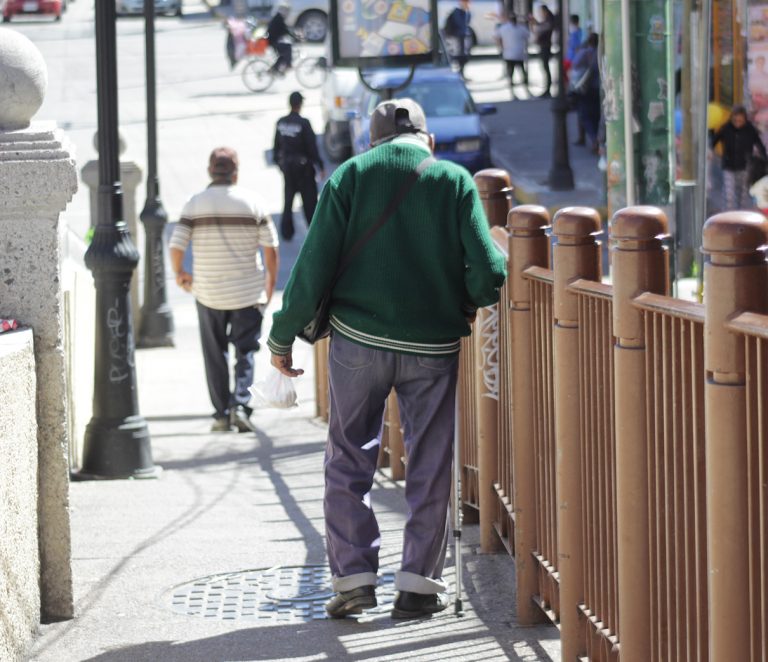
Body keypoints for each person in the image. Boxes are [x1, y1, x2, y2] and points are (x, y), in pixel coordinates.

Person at [267, 99, 507, 619]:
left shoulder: (349, 176)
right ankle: (420, 583)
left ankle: (353, 577)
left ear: (372, 143)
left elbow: (311, 269)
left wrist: (282, 338)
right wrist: (461, 297)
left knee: (349, 457)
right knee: (430, 459)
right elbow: (489, 274)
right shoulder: (453, 180)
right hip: (432, 349)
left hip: (357, 342)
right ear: (427, 140)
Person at [169, 147, 279, 433]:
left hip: (209, 293)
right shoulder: (253, 202)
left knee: (214, 353)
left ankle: (220, 414)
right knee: (247, 351)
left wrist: (180, 274)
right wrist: (269, 287)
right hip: (247, 293)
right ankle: (241, 406)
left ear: (210, 171)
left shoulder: (195, 203)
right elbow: (271, 250)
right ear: (236, 172)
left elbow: (176, 245)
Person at [273, 91, 325, 241]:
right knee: (309, 202)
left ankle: (286, 232)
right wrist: (319, 165)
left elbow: (276, 148)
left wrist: (281, 165)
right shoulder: (304, 123)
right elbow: (312, 147)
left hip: (288, 168)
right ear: (300, 104)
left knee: (288, 200)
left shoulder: (281, 122)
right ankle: (315, 233)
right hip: (304, 170)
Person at [712, 105, 768, 210]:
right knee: (729, 194)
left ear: (745, 119)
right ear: (732, 118)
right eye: (735, 120)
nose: (737, 123)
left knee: (742, 194)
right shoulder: (726, 128)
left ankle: (739, 214)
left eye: (740, 121)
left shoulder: (750, 129)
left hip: (745, 166)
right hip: (728, 165)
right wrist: (711, 151)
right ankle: (729, 214)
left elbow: (759, 144)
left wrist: (764, 158)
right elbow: (714, 140)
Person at [569, 32, 601, 154]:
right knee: (596, 115)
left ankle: (593, 140)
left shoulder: (585, 52)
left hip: (586, 88)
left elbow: (575, 65)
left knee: (584, 115)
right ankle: (595, 140)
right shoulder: (600, 52)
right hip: (598, 88)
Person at [495, 13, 529, 98]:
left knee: (512, 72)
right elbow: (528, 36)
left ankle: (514, 91)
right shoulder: (520, 28)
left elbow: (497, 37)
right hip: (517, 53)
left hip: (511, 54)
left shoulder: (504, 28)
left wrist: (501, 47)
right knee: (520, 71)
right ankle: (523, 89)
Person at [530, 5, 555, 97]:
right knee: (544, 67)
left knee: (546, 67)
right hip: (544, 46)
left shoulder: (549, 20)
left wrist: (535, 24)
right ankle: (547, 88)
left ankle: (548, 89)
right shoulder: (547, 21)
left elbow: (541, 29)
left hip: (545, 46)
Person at [445, 0, 472, 77]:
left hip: (463, 38)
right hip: (456, 38)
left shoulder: (467, 12)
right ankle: (459, 74)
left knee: (464, 57)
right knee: (457, 57)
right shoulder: (456, 12)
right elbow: (461, 25)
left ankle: (462, 73)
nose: (467, 4)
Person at [266, 0, 295, 74]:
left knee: (282, 54)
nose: (287, 12)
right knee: (288, 47)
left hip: (273, 40)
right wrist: (295, 37)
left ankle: (273, 69)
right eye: (286, 10)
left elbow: (285, 30)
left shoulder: (278, 17)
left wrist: (293, 35)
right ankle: (288, 65)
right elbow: (285, 30)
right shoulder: (279, 19)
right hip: (273, 41)